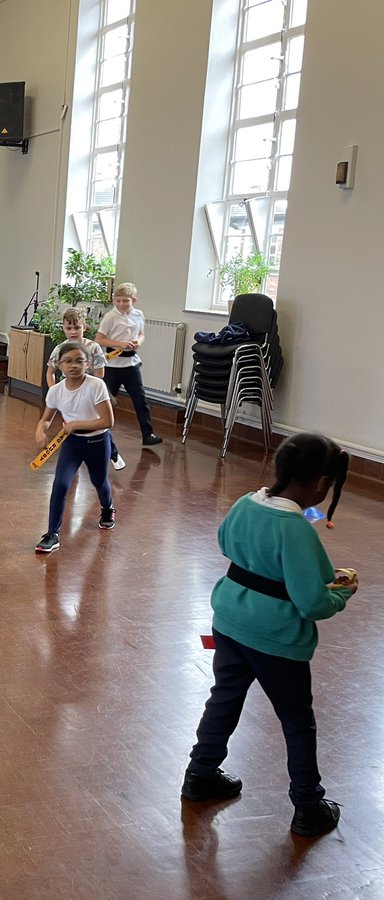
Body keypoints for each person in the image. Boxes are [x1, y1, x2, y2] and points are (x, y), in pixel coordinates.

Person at [181, 433, 356, 838]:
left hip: (230, 622)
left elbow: (226, 542)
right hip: (277, 640)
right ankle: (309, 806)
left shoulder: (245, 504)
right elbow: (313, 602)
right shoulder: (297, 528)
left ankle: (199, 775)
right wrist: (342, 594)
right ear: (320, 484)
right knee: (297, 722)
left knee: (224, 699)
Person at [33, 342, 116, 554]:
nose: (73, 366)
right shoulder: (56, 391)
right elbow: (46, 419)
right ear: (59, 365)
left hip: (97, 442)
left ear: (87, 364)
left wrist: (77, 424)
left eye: (79, 361)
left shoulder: (96, 385)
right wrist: (40, 431)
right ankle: (52, 533)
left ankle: (107, 509)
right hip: (71, 443)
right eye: (68, 361)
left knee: (99, 481)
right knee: (60, 484)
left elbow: (107, 421)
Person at [46, 307, 125, 470]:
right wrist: (55, 393)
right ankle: (71, 459)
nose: (73, 332)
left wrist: (89, 390)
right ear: (63, 328)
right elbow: (50, 373)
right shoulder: (59, 349)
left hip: (91, 395)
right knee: (70, 425)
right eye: (69, 328)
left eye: (77, 327)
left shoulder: (94, 348)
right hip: (68, 394)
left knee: (96, 426)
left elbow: (100, 374)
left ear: (84, 328)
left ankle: (113, 453)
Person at [95, 283, 162, 446]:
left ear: (133, 300)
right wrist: (119, 344)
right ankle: (96, 434)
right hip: (112, 365)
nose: (121, 304)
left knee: (140, 400)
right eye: (118, 301)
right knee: (106, 401)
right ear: (114, 301)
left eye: (125, 301)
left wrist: (138, 341)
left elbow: (141, 334)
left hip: (131, 364)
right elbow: (99, 339)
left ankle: (148, 434)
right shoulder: (110, 317)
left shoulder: (139, 315)